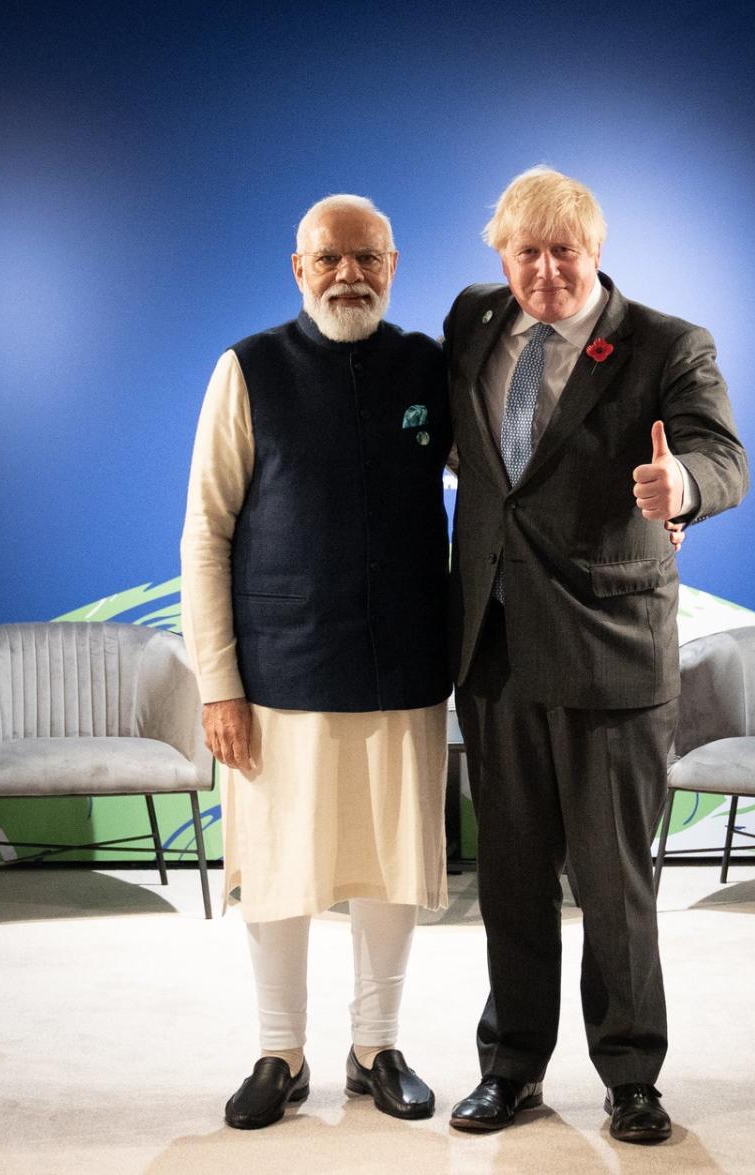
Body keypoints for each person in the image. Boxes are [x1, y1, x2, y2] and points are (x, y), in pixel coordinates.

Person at [444, 167, 748, 1143]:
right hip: (494, 649)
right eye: (525, 252)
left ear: (597, 249)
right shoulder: (473, 321)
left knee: (615, 886)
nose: (544, 272)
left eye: (562, 251)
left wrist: (681, 486)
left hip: (611, 652)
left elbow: (721, 455)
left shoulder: (667, 344)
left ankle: (630, 1078)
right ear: (501, 255)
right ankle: (512, 1066)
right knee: (511, 878)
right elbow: (480, 459)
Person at [180, 194, 451, 1129]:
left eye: (368, 257)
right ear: (299, 269)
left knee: (389, 863)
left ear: (393, 263)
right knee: (281, 866)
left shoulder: (427, 367)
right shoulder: (248, 369)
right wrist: (218, 681)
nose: (350, 274)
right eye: (331, 257)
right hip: (279, 674)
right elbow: (206, 532)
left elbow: (505, 493)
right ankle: (278, 1052)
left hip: (405, 664)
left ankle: (376, 1046)